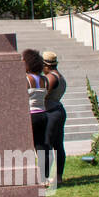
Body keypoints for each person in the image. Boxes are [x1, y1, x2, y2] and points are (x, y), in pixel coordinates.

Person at [23, 49, 53, 183]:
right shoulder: (44, 80)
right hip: (43, 114)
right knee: (41, 145)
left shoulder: (27, 79)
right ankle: (44, 176)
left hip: (31, 115)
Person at [41, 50, 67, 185]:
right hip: (58, 110)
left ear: (46, 65)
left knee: (47, 145)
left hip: (51, 112)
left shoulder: (51, 78)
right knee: (58, 145)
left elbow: (43, 95)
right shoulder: (60, 76)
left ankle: (44, 177)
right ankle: (59, 176)